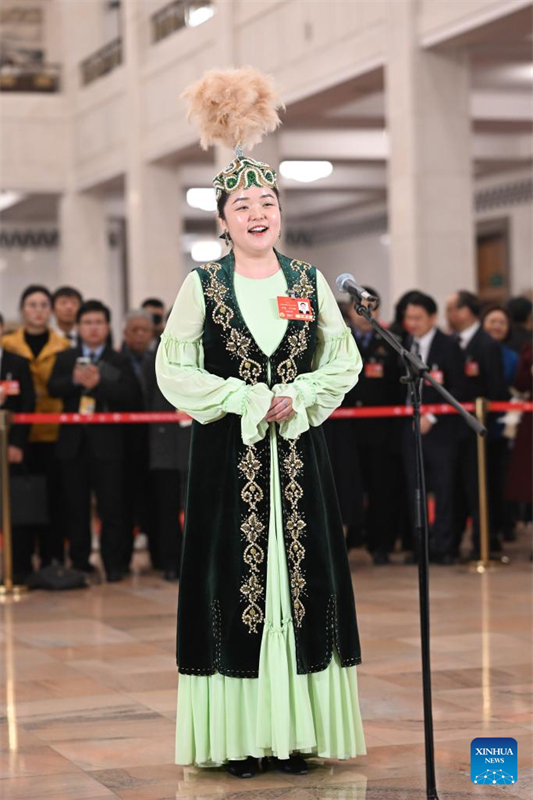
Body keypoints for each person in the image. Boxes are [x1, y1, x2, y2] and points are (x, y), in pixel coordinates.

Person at [156, 67, 365, 777]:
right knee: (231, 587)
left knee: (305, 584)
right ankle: (239, 738)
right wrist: (245, 399)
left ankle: (297, 733)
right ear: (221, 219)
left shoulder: (308, 282)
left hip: (300, 460)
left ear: (281, 212)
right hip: (228, 462)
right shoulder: (202, 286)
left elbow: (342, 358)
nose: (257, 213)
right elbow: (174, 367)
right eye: (241, 204)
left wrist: (299, 395)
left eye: (267, 202)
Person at [48, 300, 143, 582]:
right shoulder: (66, 358)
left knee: (111, 507)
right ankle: (80, 564)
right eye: (87, 323)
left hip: (109, 446)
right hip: (72, 446)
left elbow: (131, 396)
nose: (93, 328)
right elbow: (53, 387)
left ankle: (114, 564)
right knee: (75, 507)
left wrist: (99, 384)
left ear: (107, 327)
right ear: (78, 327)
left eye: (98, 322)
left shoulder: (118, 359)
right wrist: (75, 382)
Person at [1, 285, 70, 579]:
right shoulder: (9, 346)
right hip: (18, 435)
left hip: (54, 431)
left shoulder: (63, 345)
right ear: (22, 310)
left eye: (44, 305)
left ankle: (52, 560)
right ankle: (21, 563)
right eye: (32, 304)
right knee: (21, 499)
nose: (38, 310)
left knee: (54, 499)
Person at [403, 292, 466, 564]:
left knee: (444, 488)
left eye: (418, 318)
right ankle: (421, 547)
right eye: (408, 317)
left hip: (441, 431)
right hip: (410, 428)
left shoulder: (449, 346)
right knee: (415, 488)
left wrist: (432, 416)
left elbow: (459, 388)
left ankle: (445, 545)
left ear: (432, 317)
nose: (412, 323)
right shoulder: (405, 343)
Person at [445, 290, 508, 558]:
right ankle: (453, 541)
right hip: (452, 430)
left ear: (465, 311)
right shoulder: (450, 342)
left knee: (478, 488)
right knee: (455, 487)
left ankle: (484, 543)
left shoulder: (486, 344)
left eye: (451, 308)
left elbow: (496, 389)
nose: (448, 315)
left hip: (478, 431)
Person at [346, 289, 403, 563]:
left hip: (381, 430)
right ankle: (350, 538)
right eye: (360, 307)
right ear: (350, 311)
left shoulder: (389, 342)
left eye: (372, 307)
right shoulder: (340, 339)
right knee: (349, 486)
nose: (365, 313)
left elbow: (396, 387)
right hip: (346, 429)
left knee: (381, 487)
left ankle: (381, 544)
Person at [142, 347, 190, 581]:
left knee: (196, 506)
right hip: (164, 443)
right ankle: (170, 561)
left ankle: (196, 560)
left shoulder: (203, 353)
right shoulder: (154, 359)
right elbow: (146, 400)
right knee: (167, 507)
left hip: (194, 440)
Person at [0, 313, 36, 583]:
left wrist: (16, 443)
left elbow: (28, 404)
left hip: (9, 446)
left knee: (14, 509)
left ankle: (19, 568)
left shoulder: (17, 363)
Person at [120, 309, 155, 568]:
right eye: (135, 330)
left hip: (155, 441)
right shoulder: (116, 361)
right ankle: (121, 558)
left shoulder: (160, 361)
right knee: (123, 501)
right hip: (123, 442)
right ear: (125, 333)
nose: (140, 335)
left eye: (145, 330)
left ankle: (160, 556)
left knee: (154, 501)